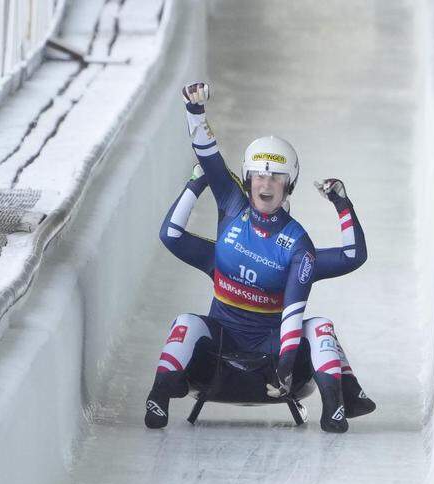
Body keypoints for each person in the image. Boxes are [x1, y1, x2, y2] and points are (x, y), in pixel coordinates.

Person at [144, 82, 373, 433]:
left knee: (320, 326)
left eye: (276, 176)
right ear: (249, 179)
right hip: (218, 354)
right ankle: (158, 396)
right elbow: (204, 166)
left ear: (288, 184)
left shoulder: (298, 244)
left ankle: (335, 408)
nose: (266, 184)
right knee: (186, 322)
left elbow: (302, 303)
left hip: (275, 369)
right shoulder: (233, 205)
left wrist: (343, 204)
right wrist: (195, 115)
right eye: (260, 174)